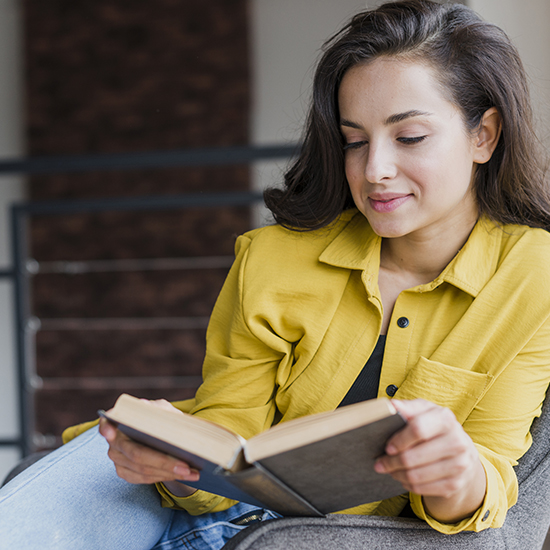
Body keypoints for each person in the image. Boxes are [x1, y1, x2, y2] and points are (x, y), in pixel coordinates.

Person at [2, 0, 550, 548]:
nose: (374, 169)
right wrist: (176, 460)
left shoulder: (534, 277)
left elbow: (490, 478)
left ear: (484, 135)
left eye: (409, 137)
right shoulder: (272, 257)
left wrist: (458, 477)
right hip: (174, 509)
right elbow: (228, 436)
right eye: (353, 141)